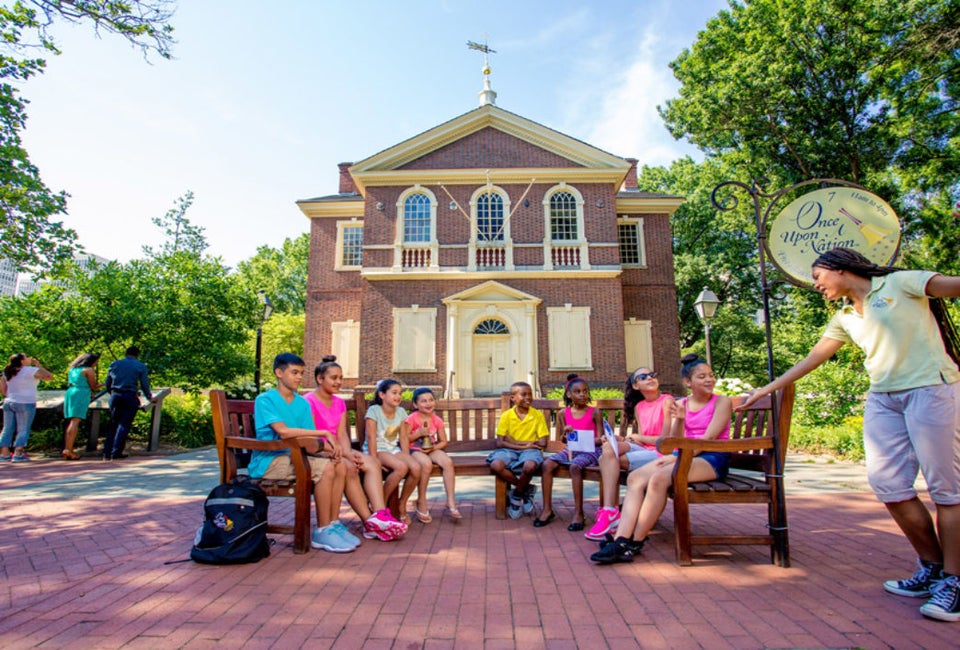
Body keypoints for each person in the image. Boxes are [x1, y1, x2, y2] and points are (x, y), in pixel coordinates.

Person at [738, 248, 960, 622]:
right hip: (883, 399)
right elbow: (810, 360)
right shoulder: (844, 318)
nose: (816, 285)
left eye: (817, 277)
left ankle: (955, 581)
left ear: (838, 269)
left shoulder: (900, 283)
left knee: (947, 490)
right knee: (888, 485)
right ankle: (933, 568)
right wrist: (763, 390)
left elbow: (953, 287)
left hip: (930, 389)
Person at [591, 354, 732, 564]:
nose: (709, 380)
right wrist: (680, 420)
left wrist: (676, 458)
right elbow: (675, 438)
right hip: (683, 454)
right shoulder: (681, 403)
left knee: (659, 479)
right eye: (702, 376)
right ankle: (621, 538)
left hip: (711, 457)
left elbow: (708, 439)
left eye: (711, 375)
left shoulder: (722, 402)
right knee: (635, 478)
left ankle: (634, 542)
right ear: (688, 382)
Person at [252, 353, 355, 553]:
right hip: (269, 461)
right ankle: (322, 529)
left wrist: (333, 451)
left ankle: (332, 524)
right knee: (325, 469)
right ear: (279, 373)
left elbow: (309, 442)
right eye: (294, 372)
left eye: (301, 373)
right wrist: (323, 432)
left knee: (338, 464)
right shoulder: (265, 400)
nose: (299, 377)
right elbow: (283, 431)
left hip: (297, 457)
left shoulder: (301, 403)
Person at [304, 356, 406, 541]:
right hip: (320, 451)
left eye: (340, 378)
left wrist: (349, 453)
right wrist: (345, 456)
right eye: (334, 378)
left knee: (372, 462)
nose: (339, 382)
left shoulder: (339, 403)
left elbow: (342, 434)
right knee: (350, 467)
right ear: (320, 379)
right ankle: (370, 522)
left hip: (339, 450)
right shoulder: (308, 401)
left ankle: (379, 515)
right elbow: (312, 436)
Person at [585, 367, 675, 541]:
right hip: (647, 449)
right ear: (635, 385)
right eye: (643, 377)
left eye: (652, 375)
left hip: (663, 453)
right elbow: (643, 441)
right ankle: (610, 511)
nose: (650, 378)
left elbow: (666, 441)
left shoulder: (667, 401)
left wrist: (638, 437)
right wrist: (622, 439)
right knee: (608, 449)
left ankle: (609, 511)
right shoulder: (640, 406)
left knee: (610, 459)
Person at [534, 374, 604, 530]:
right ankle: (547, 509)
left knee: (575, 466)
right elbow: (564, 440)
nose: (582, 395)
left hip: (591, 451)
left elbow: (600, 439)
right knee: (547, 464)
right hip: (571, 450)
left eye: (585, 391)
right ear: (569, 394)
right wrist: (566, 434)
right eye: (578, 392)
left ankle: (579, 512)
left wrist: (580, 437)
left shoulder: (594, 412)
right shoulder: (562, 414)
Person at [486, 381, 550, 519]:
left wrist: (514, 442)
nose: (528, 397)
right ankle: (526, 489)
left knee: (529, 466)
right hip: (510, 451)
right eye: (523, 394)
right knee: (496, 465)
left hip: (531, 452)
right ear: (513, 398)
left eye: (530, 394)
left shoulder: (537, 415)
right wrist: (524, 445)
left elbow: (543, 442)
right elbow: (500, 442)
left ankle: (517, 495)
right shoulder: (507, 416)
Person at [400, 387, 461, 522]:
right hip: (414, 450)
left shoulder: (436, 420)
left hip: (431, 448)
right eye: (423, 401)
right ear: (415, 405)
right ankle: (421, 500)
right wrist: (419, 434)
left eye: (431, 400)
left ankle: (450, 501)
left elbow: (443, 441)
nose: (428, 403)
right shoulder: (412, 419)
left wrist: (433, 448)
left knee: (447, 462)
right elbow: (405, 438)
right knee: (426, 464)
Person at [364, 379, 418, 524]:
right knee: (401, 467)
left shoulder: (400, 412)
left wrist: (406, 455)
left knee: (416, 467)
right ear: (382, 395)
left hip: (393, 449)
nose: (398, 396)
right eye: (394, 393)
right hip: (378, 449)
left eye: (400, 393)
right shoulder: (374, 411)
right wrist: (374, 460)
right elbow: (371, 437)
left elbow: (403, 437)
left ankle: (402, 503)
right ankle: (380, 505)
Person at [102, 346, 154, 460]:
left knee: (113, 423)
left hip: (115, 395)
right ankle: (116, 452)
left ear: (126, 353)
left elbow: (108, 382)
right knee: (124, 424)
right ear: (137, 355)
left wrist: (112, 393)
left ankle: (106, 452)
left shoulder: (114, 364)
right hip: (129, 396)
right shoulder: (140, 366)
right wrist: (149, 397)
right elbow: (144, 384)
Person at [0, 354, 54, 462]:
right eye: (27, 357)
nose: (30, 358)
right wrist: (38, 366)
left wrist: (12, 396)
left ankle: (4, 454)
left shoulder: (7, 371)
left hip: (9, 402)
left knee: (7, 428)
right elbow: (50, 377)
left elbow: (3, 389)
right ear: (22, 360)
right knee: (23, 428)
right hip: (26, 402)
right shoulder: (30, 370)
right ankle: (18, 453)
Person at [62, 353, 104, 460]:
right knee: (75, 421)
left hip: (70, 392)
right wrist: (106, 384)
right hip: (81, 393)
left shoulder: (73, 369)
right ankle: (68, 449)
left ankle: (68, 448)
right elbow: (94, 386)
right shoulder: (88, 370)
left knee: (71, 420)